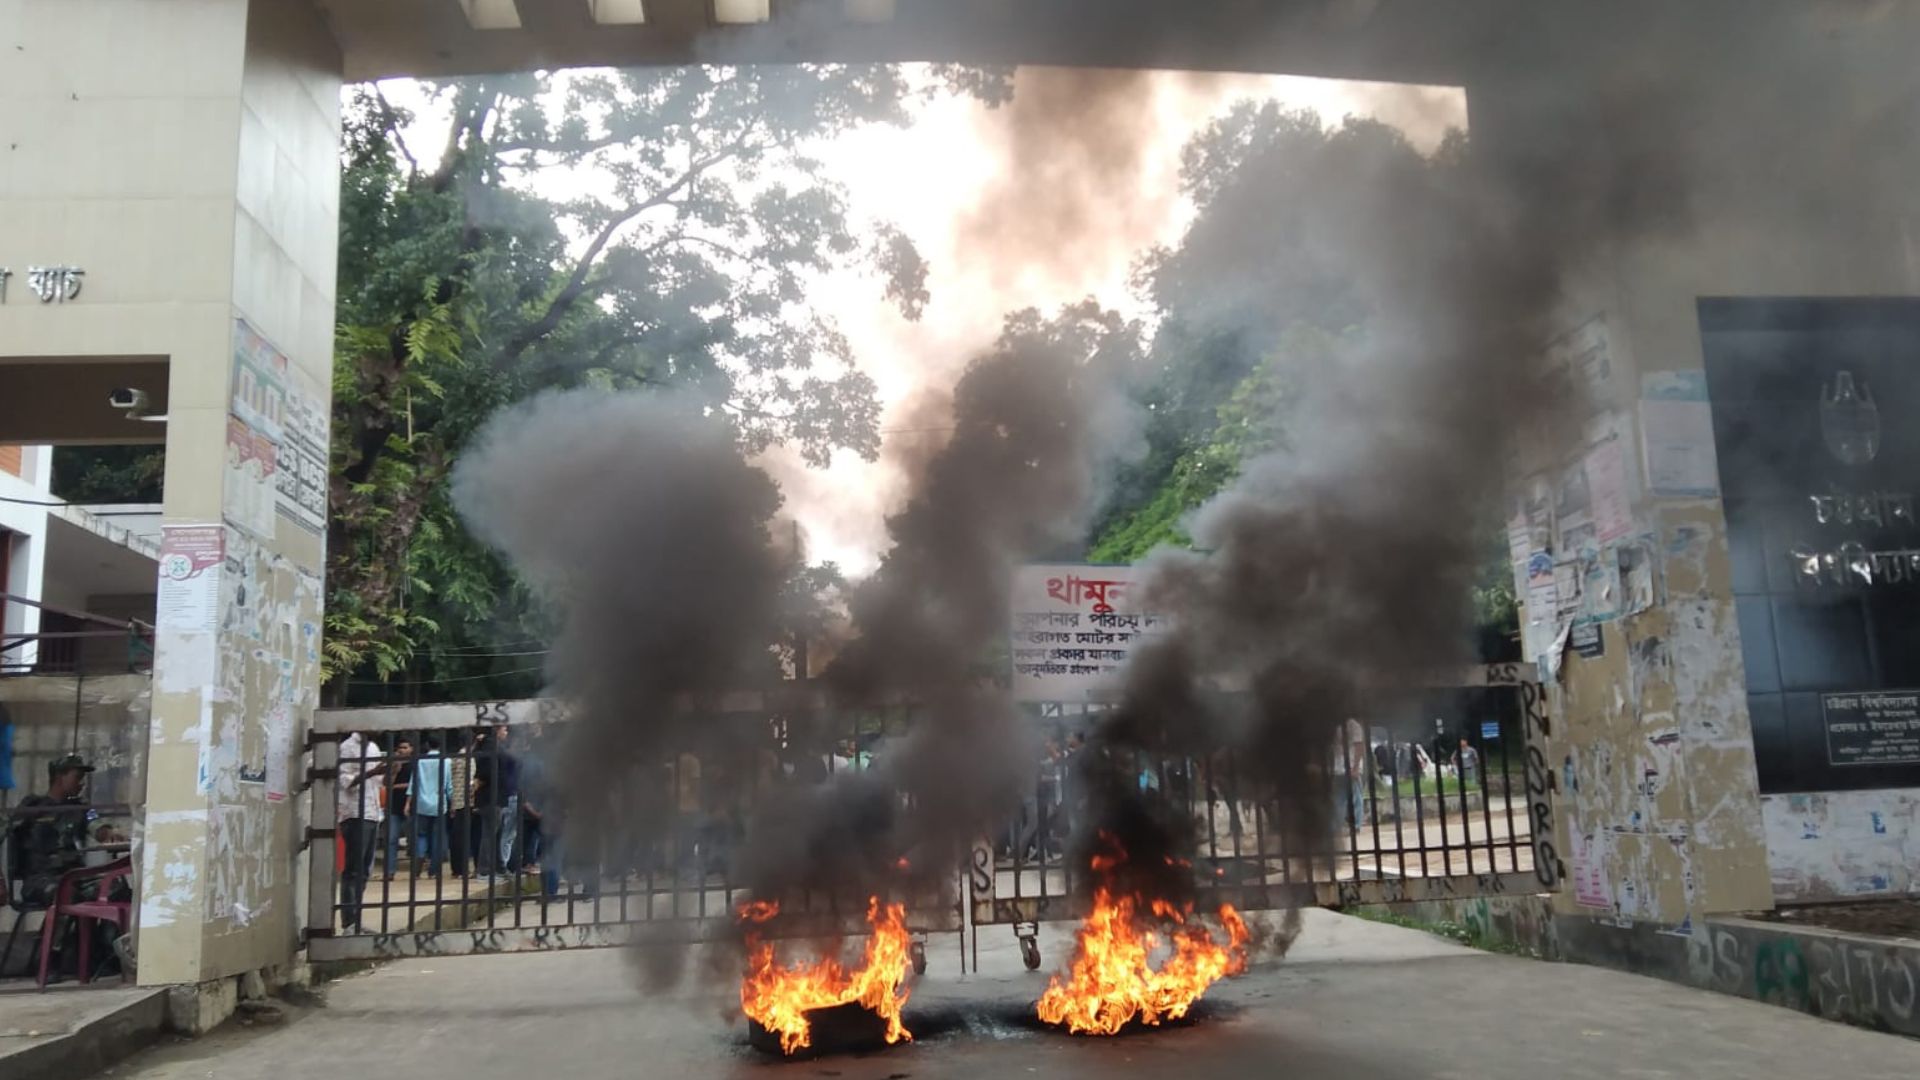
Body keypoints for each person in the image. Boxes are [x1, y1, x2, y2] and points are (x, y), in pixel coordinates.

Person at [7, 755, 129, 978]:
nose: (81, 782)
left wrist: (108, 834)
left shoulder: (80, 808)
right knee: (66, 894)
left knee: (116, 887)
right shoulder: (33, 807)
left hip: (73, 876)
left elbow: (98, 827)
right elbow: (9, 834)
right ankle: (50, 960)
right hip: (40, 879)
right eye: (77, 776)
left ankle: (104, 953)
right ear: (59, 777)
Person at [336, 731, 385, 931]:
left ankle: (355, 918)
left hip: (373, 813)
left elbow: (380, 783)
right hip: (355, 812)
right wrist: (371, 773)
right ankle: (349, 921)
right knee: (353, 870)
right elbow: (345, 781)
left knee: (364, 871)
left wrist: (391, 770)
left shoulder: (373, 748)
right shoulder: (348, 747)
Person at [404, 737, 452, 877]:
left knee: (421, 836)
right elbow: (448, 784)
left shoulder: (420, 761)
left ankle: (417, 865)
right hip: (439, 803)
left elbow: (414, 783)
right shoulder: (446, 761)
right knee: (437, 838)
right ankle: (434, 871)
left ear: (427, 745)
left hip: (422, 804)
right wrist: (452, 802)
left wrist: (408, 803)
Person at [382, 736, 415, 880]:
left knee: (412, 839)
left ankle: (415, 870)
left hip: (410, 806)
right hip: (393, 806)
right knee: (391, 839)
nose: (401, 750)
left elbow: (415, 784)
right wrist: (395, 770)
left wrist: (397, 786)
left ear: (411, 749)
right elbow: (386, 784)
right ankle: (389, 871)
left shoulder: (415, 764)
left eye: (405, 747)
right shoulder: (394, 764)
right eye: (399, 748)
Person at [1331, 718, 1368, 831]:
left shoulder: (1351, 725)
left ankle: (1352, 825)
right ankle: (1343, 825)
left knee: (1349, 797)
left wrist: (1355, 767)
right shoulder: (1343, 725)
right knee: (1342, 798)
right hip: (1341, 767)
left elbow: (1359, 746)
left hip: (1348, 766)